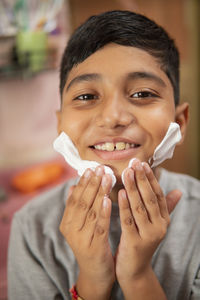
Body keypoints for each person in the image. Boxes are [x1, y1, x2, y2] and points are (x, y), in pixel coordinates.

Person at [8, 10, 200, 300]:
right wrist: (92, 281)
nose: (113, 117)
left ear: (180, 122)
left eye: (142, 94)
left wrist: (138, 277)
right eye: (86, 96)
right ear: (60, 126)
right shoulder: (32, 228)